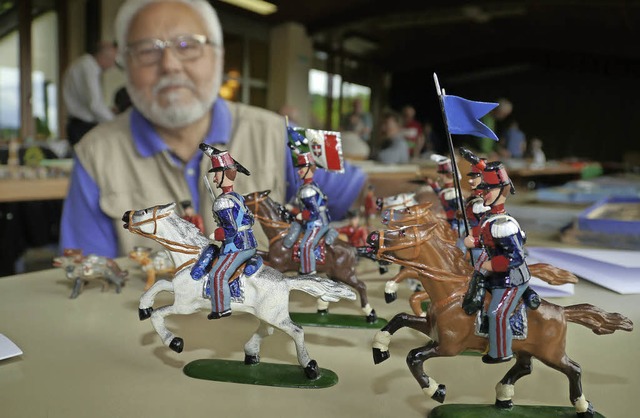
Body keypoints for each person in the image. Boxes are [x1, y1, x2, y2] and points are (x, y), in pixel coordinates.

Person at [59, 0, 366, 258]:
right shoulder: (92, 152)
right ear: (125, 64)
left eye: (187, 45)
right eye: (147, 50)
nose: (170, 65)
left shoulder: (284, 130)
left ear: (218, 57)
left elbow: (359, 186)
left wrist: (407, 199)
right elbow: (88, 276)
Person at [462, 159, 531, 364]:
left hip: (511, 278)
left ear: (502, 191)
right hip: (498, 274)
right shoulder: (490, 218)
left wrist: (488, 265)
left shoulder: (504, 224)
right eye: (483, 189)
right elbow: (489, 241)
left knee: (496, 313)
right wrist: (474, 241)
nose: (483, 193)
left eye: (489, 189)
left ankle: (501, 352)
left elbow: (515, 257)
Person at [190, 145, 257, 319]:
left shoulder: (223, 203)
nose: (214, 179)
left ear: (226, 174)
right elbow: (250, 219)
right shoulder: (237, 197)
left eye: (216, 174)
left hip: (238, 246)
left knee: (217, 274)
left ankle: (222, 308)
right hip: (249, 242)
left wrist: (216, 234)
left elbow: (231, 231)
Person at [284, 152, 335, 274]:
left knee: (306, 246)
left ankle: (309, 272)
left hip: (317, 222)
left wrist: (302, 215)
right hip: (313, 221)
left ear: (309, 169)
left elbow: (314, 212)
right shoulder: (307, 186)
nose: (298, 171)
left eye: (301, 168)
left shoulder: (308, 190)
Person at [62, 41, 118, 146]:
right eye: (113, 60)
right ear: (104, 57)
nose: (113, 65)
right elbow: (95, 104)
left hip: (78, 125)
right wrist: (115, 122)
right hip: (82, 127)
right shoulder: (89, 67)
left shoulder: (83, 64)